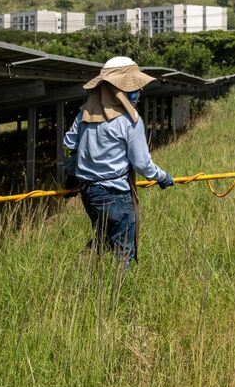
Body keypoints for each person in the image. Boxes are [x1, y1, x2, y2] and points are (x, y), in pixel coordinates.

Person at [62, 56, 174, 264]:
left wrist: (71, 175)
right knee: (124, 251)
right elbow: (142, 163)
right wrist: (162, 177)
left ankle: (82, 274)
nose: (138, 92)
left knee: (103, 238)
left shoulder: (84, 116)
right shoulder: (129, 121)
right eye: (133, 88)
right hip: (115, 194)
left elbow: (69, 147)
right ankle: (120, 291)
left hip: (89, 193)